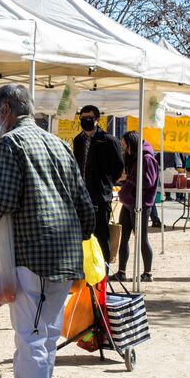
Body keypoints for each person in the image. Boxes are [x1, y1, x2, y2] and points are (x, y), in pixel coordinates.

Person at [0, 84, 95, 378]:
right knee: (43, 341)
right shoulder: (59, 144)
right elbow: (86, 207)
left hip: (33, 256)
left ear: (6, 111)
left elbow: (5, 201)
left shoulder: (12, 145)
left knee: (32, 342)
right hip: (64, 255)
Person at [70, 105, 123, 266]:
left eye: (89, 118)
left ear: (97, 119)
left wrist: (106, 185)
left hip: (100, 197)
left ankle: (103, 274)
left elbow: (118, 167)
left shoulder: (108, 140)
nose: (86, 121)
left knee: (101, 236)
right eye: (83, 118)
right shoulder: (78, 140)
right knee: (82, 237)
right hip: (80, 197)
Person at [113, 130, 159, 283]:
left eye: (124, 144)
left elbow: (147, 182)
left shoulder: (146, 158)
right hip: (127, 202)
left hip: (140, 204)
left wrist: (128, 178)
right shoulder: (133, 157)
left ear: (131, 143)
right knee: (123, 238)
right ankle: (121, 271)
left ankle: (147, 273)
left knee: (142, 238)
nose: (123, 146)